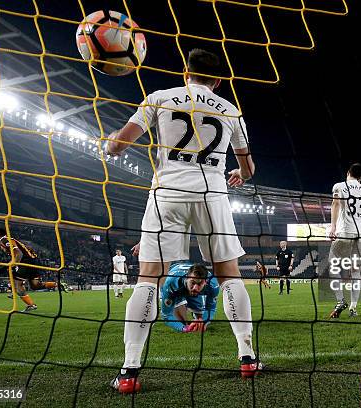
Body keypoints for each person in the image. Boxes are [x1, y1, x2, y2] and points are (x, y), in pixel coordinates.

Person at [105, 48, 260, 393]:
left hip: (168, 193)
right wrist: (240, 173)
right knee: (229, 275)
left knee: (149, 278)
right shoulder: (232, 111)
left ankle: (129, 372)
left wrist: (110, 147)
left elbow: (120, 142)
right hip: (213, 195)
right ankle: (247, 358)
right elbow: (248, 168)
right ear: (218, 81)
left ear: (186, 73)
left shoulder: (160, 98)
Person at [328, 163, 361, 318]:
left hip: (345, 232)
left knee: (332, 264)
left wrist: (332, 227)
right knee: (356, 271)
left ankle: (340, 301)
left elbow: (336, 204)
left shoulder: (340, 185)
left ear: (348, 173)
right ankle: (353, 307)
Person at [0, 227, 66, 312]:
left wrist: (14, 265)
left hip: (25, 262)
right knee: (35, 285)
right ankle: (58, 284)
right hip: (32, 261)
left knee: (17, 285)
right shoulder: (8, 240)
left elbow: (18, 253)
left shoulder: (3, 240)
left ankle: (29, 303)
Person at [160, 262, 219, 332]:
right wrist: (184, 328)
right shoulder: (171, 283)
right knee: (182, 323)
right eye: (193, 282)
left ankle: (196, 313)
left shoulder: (213, 285)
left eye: (199, 284)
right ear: (187, 278)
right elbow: (166, 315)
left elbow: (211, 309)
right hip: (177, 291)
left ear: (206, 282)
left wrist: (203, 321)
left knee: (200, 320)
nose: (195, 288)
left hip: (189, 288)